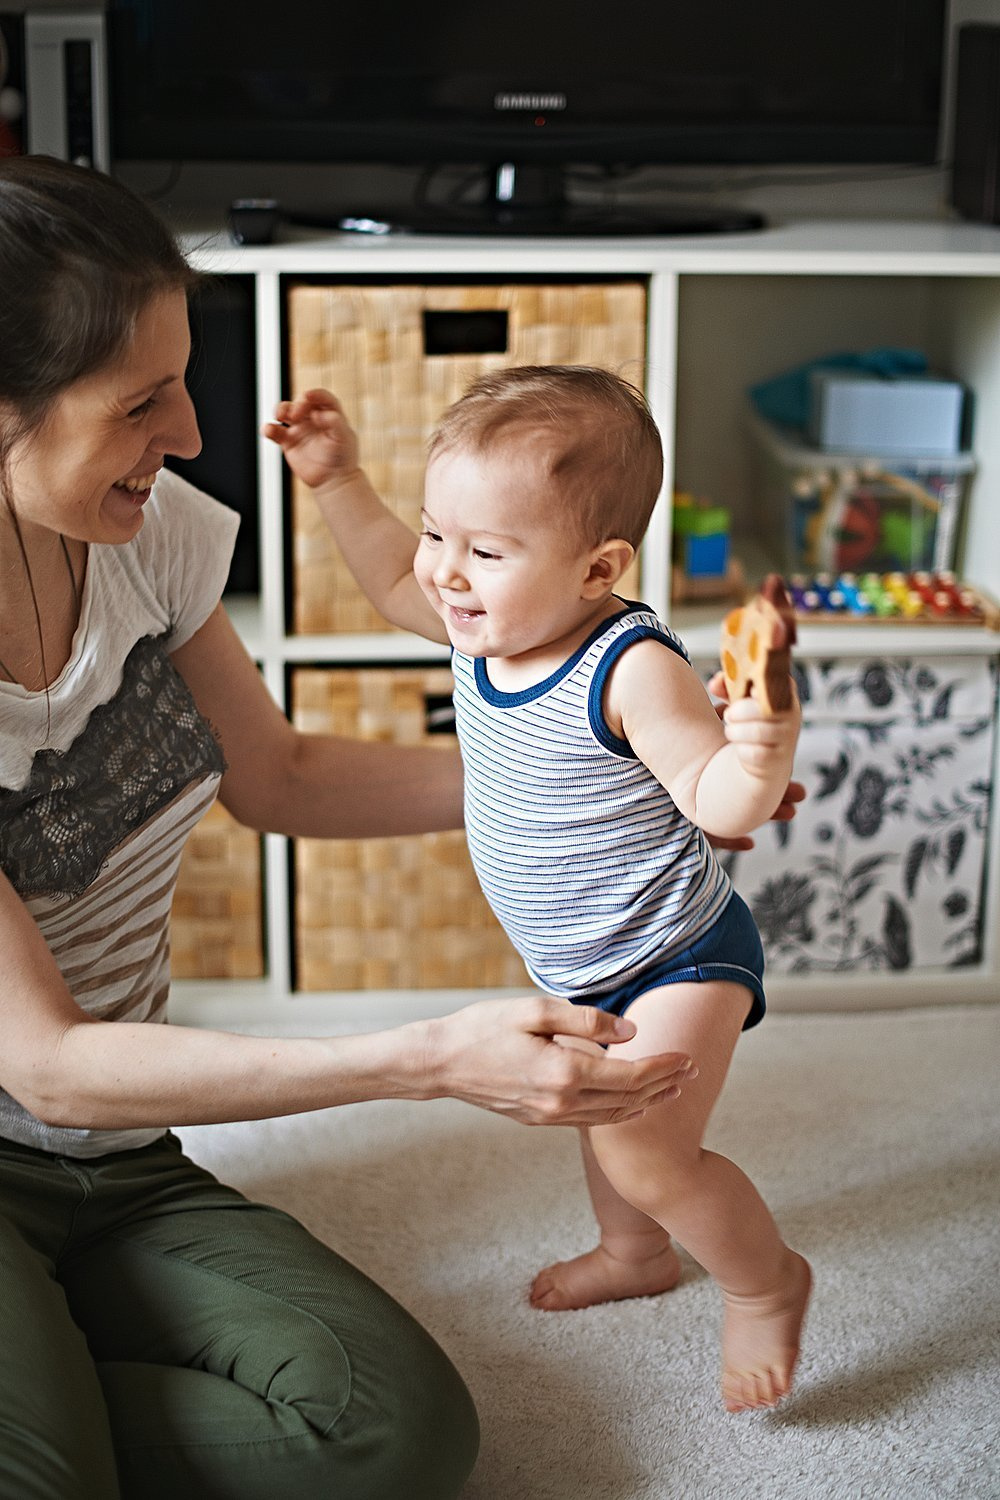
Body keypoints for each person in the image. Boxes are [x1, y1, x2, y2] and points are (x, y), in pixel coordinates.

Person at [0, 158, 703, 1500]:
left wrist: (605, 765)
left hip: (120, 1163)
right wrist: (433, 1055)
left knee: (398, 1434)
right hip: (50, 1104)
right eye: (143, 403)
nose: (195, 435)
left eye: (184, 383)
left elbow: (279, 778)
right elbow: (48, 1068)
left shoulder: (145, 535)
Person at [265, 365, 813, 1415]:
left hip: (677, 953)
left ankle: (764, 1282)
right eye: (440, 534)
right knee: (597, 1118)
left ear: (598, 566)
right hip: (577, 960)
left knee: (648, 1151)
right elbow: (389, 577)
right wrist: (336, 480)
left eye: (485, 550)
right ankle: (634, 1254)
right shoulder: (486, 628)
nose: (445, 575)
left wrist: (761, 741)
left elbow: (720, 802)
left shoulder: (628, 665)